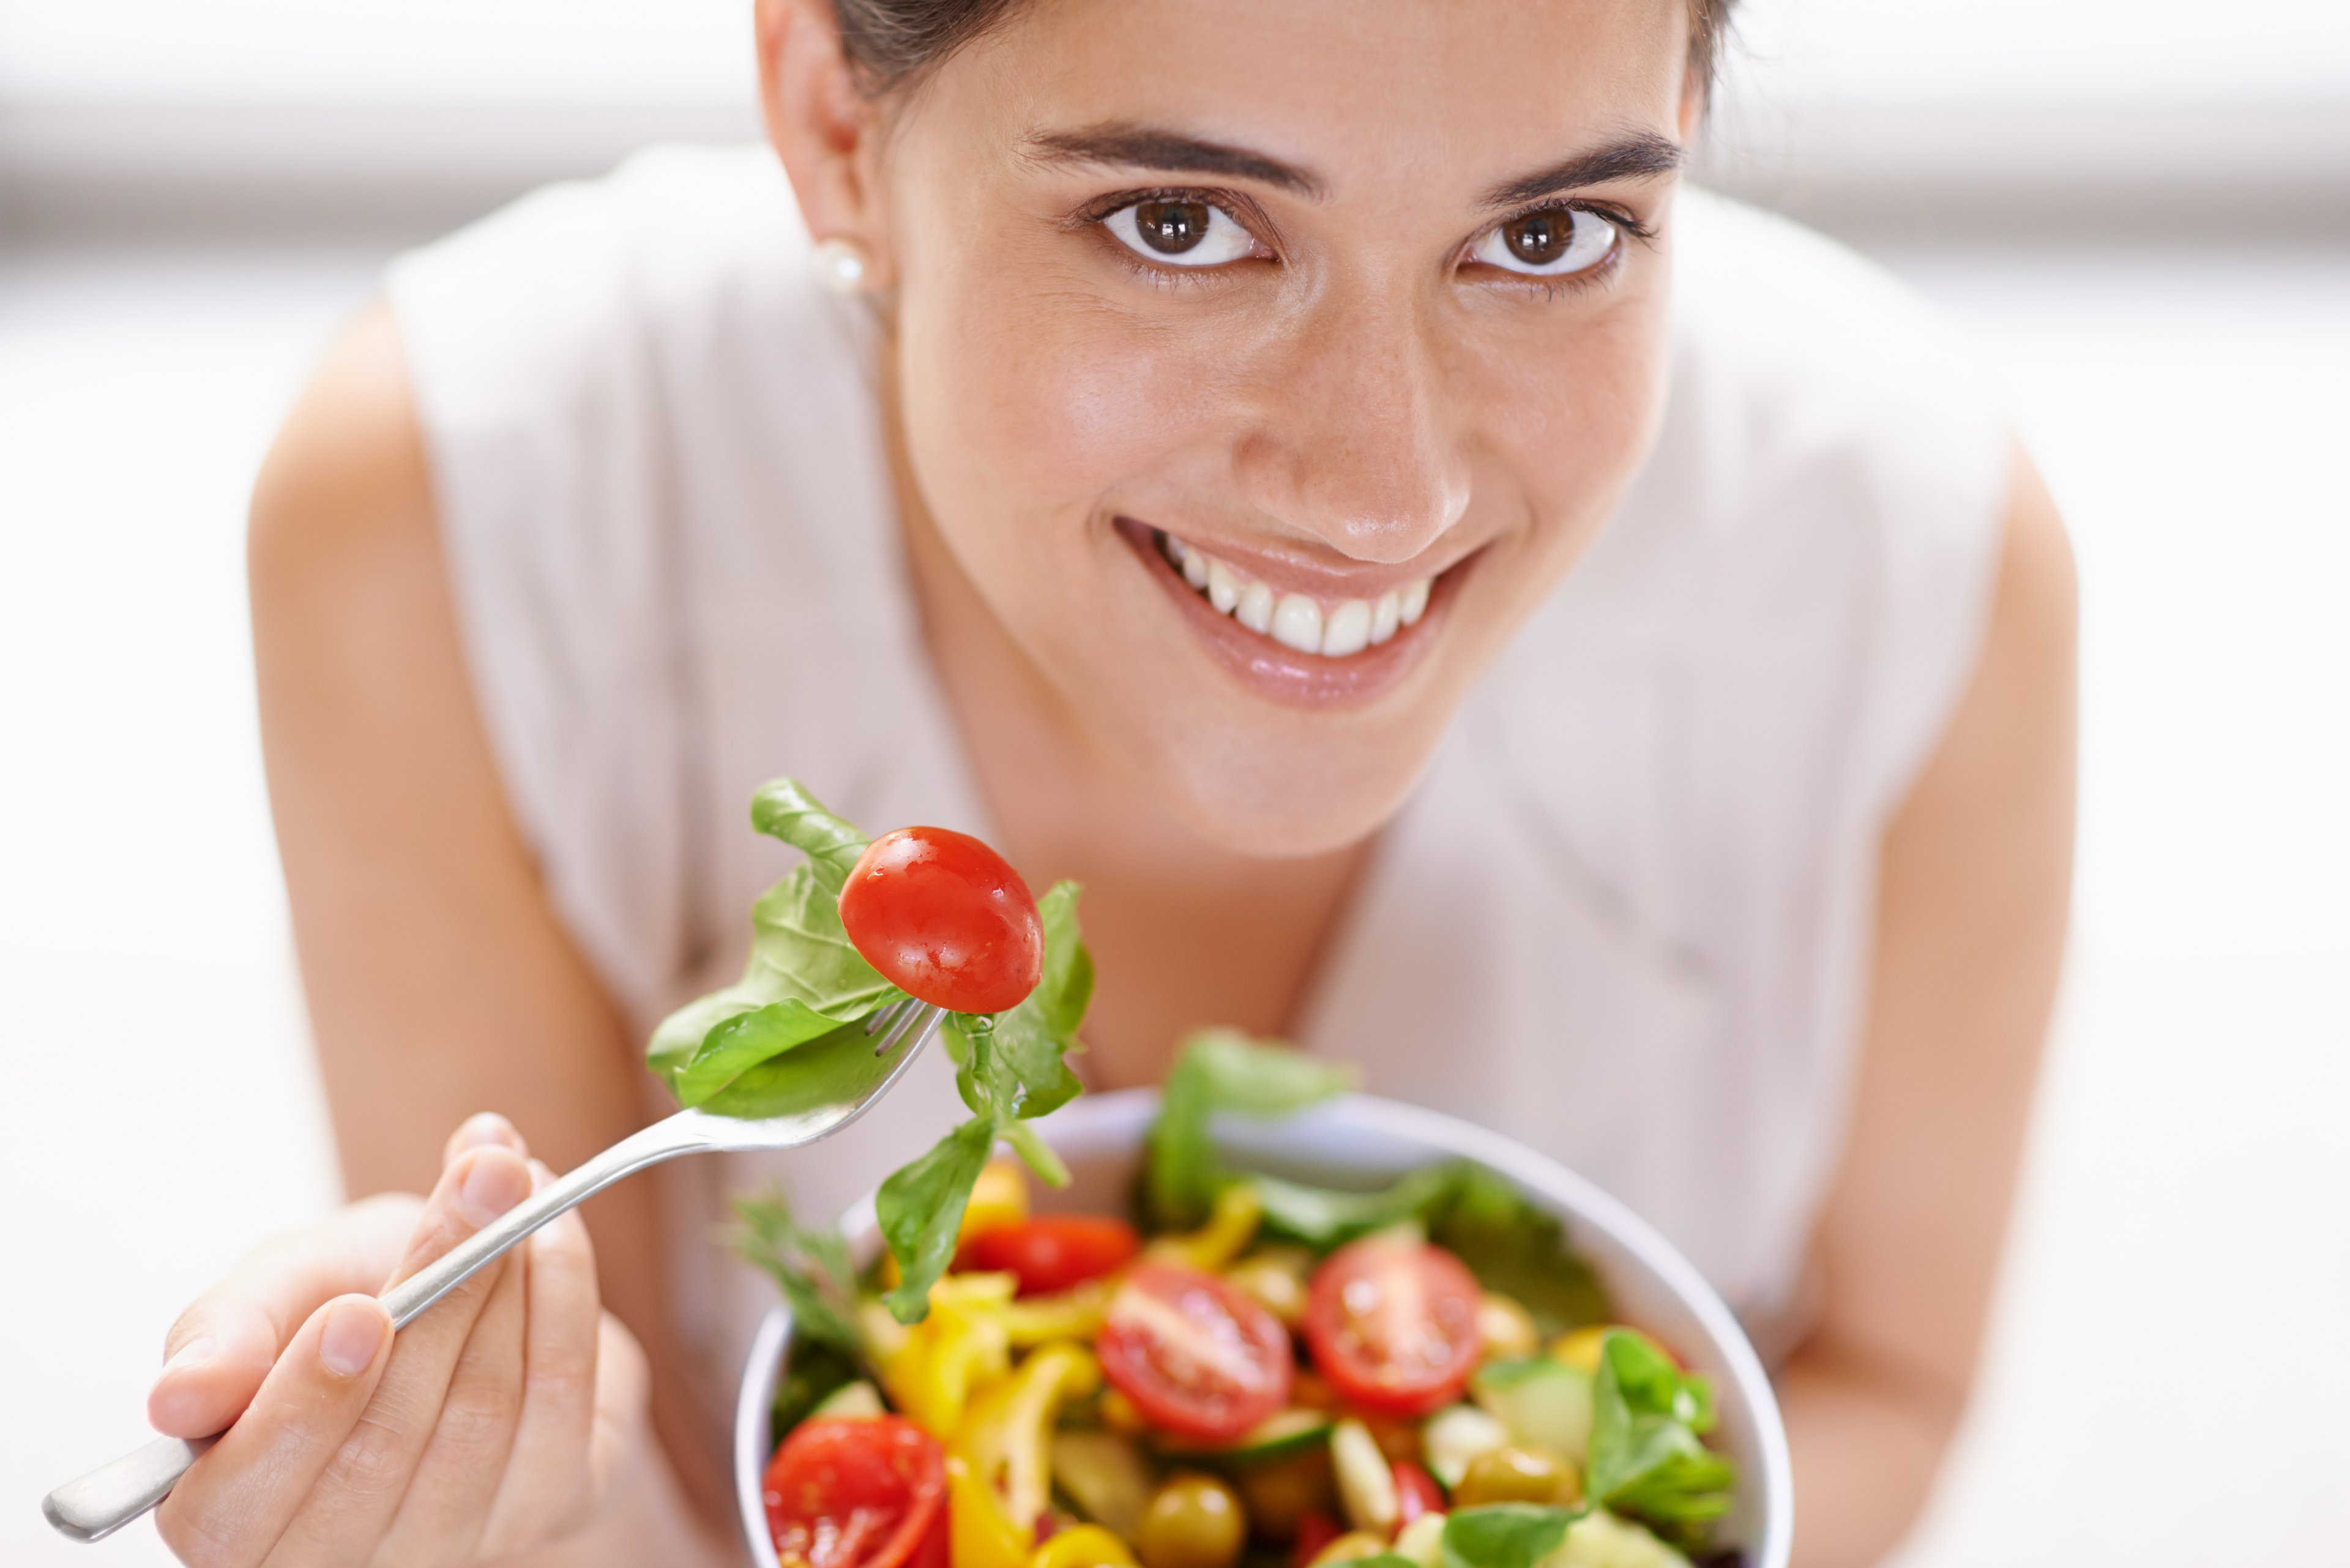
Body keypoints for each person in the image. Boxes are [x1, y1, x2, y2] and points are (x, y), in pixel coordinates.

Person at [142, 0, 2075, 1563]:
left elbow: (1886, 1377)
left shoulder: (1907, 551)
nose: (1384, 489)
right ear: (835, 127)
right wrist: (515, 1508)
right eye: (1181, 223)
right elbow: (625, 1466)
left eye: (1547, 235)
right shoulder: (464, 501)